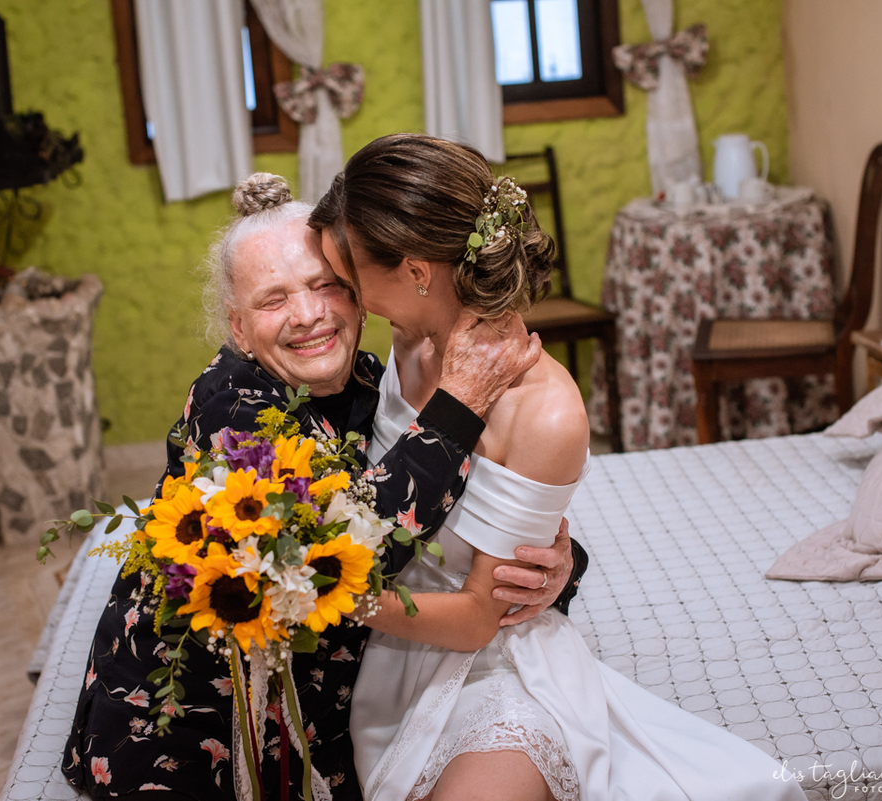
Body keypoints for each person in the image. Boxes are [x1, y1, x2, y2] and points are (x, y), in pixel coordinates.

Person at [311, 134, 807, 801]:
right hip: (383, 661)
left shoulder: (546, 413)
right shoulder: (406, 337)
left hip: (486, 668)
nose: (335, 300)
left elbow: (481, 616)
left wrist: (332, 595)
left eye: (346, 280)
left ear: (416, 270)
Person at [62, 173, 588, 800]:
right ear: (237, 327)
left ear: (360, 294)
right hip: (191, 705)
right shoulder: (230, 405)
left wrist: (554, 563)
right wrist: (460, 404)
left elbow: (461, 513)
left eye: (326, 287)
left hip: (319, 702)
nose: (308, 315)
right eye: (273, 300)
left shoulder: (369, 380)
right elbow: (357, 552)